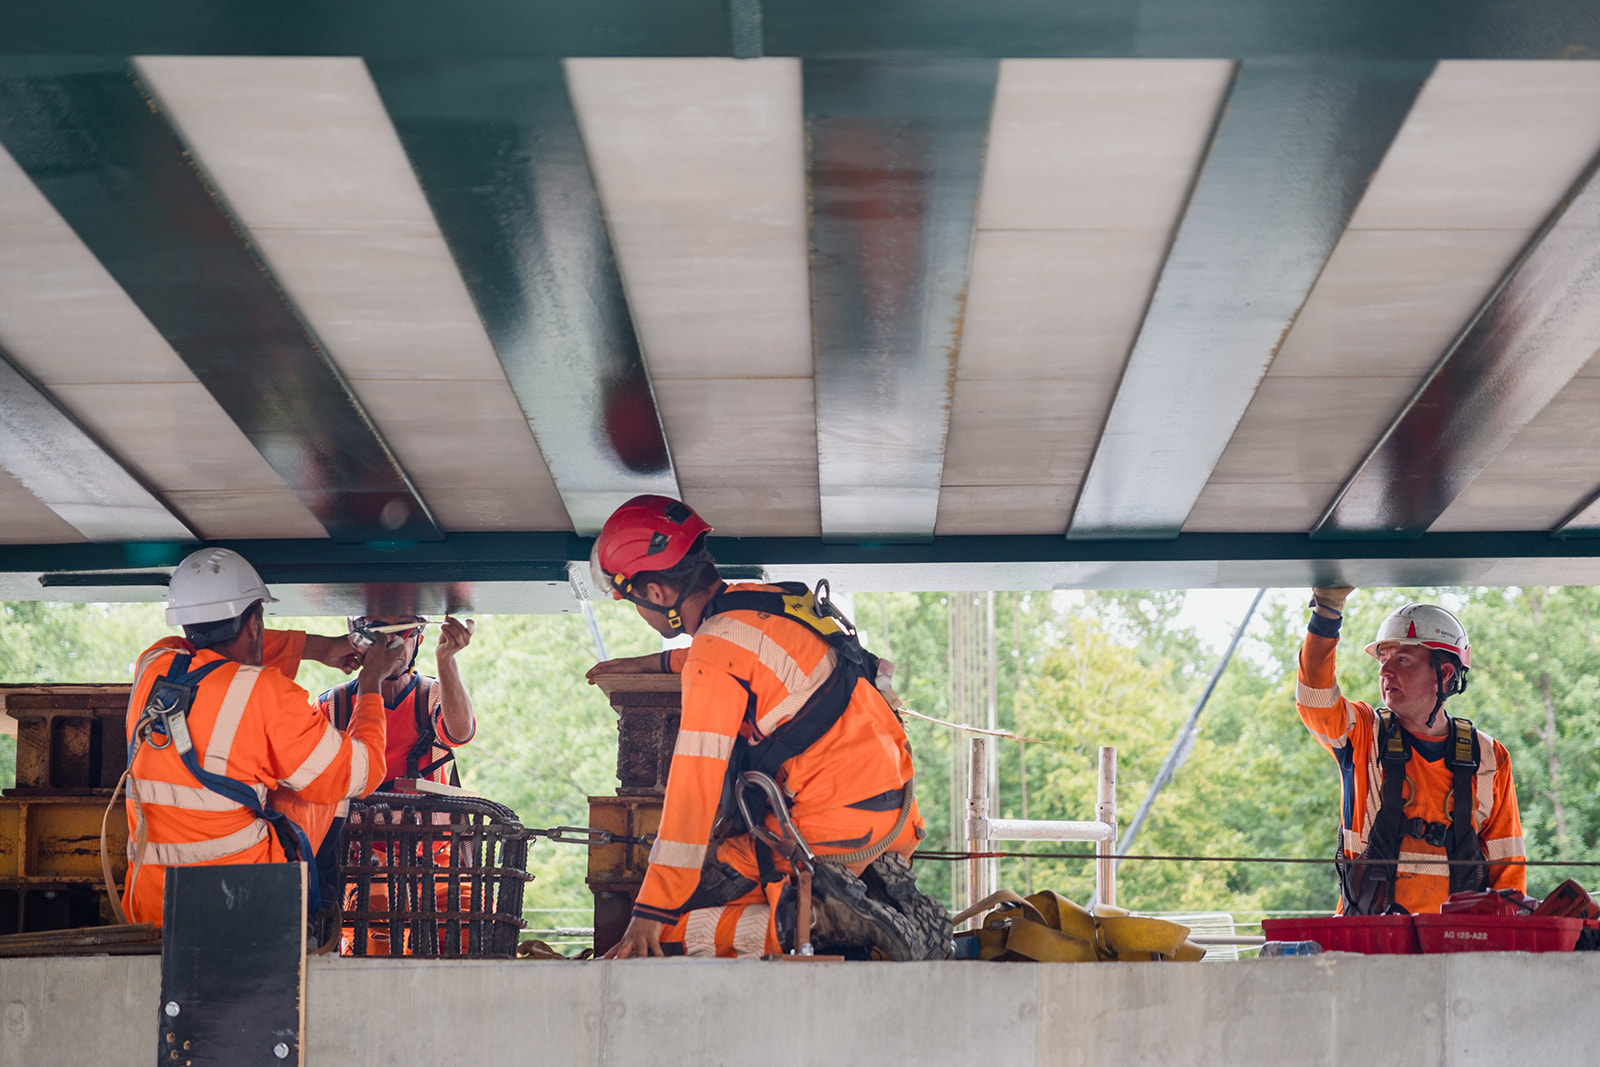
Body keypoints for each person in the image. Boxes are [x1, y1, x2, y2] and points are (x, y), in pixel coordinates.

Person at [586, 494, 950, 960]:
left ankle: (820, 920)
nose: (638, 610)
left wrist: (649, 913)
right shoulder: (761, 604)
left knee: (670, 935)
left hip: (834, 830)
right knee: (732, 882)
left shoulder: (714, 656)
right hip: (893, 817)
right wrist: (656, 663)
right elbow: (751, 660)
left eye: (632, 600)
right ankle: (869, 902)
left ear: (656, 593)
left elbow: (693, 795)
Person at [119, 548, 405, 926]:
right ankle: (318, 920)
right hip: (239, 905)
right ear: (254, 624)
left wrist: (319, 648)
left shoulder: (153, 665)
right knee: (324, 785)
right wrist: (371, 683)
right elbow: (360, 773)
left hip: (150, 904)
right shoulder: (264, 693)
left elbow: (204, 653)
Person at [1298, 587, 1525, 915]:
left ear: (1445, 674)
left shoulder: (1489, 757)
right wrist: (1327, 613)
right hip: (1369, 946)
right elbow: (1314, 699)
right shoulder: (1363, 735)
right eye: (1383, 659)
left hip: (1454, 948)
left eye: (1402, 659)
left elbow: (1509, 872)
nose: (1384, 671)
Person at [311, 613, 477, 955]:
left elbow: (460, 732)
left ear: (417, 639)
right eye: (381, 636)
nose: (392, 647)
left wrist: (446, 662)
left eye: (402, 636)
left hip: (435, 859)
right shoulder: (333, 707)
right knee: (373, 933)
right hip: (359, 861)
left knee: (471, 931)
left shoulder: (431, 696)